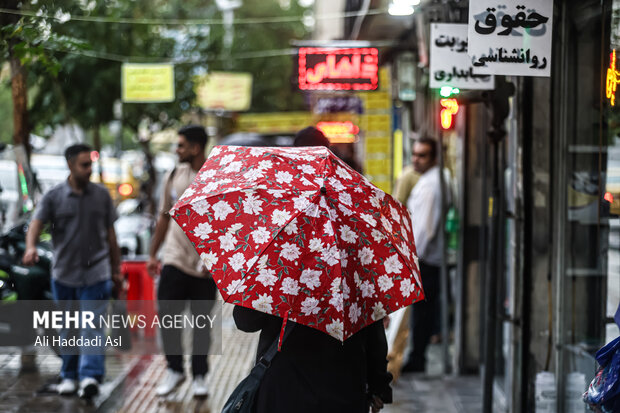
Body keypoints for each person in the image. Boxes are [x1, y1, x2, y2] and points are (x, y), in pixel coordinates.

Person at [23, 143, 121, 398]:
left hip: (97, 274)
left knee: (92, 326)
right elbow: (35, 224)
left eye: (91, 164)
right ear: (70, 165)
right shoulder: (54, 196)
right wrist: (30, 247)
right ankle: (69, 375)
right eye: (84, 165)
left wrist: (116, 270)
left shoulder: (101, 196)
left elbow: (112, 237)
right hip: (64, 274)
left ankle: (89, 376)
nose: (89, 170)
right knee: (68, 328)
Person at [147, 125, 216, 398]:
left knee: (201, 323)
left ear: (196, 148)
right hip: (174, 257)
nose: (177, 150)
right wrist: (153, 254)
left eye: (181, 145)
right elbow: (164, 216)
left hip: (206, 266)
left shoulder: (216, 177)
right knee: (168, 317)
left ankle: (200, 376)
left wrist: (215, 259)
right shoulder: (174, 175)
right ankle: (174, 369)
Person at [233, 307, 392, 413]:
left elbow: (245, 321)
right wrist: (379, 386)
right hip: (343, 391)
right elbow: (375, 339)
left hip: (282, 392)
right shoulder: (358, 266)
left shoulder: (279, 264)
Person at [401, 137, 447, 373]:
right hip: (427, 257)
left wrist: (411, 258)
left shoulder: (430, 186)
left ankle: (417, 358)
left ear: (435, 157)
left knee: (422, 314)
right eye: (415, 154)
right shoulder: (433, 180)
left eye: (422, 155)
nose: (416, 159)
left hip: (425, 259)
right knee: (424, 312)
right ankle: (417, 356)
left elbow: (424, 230)